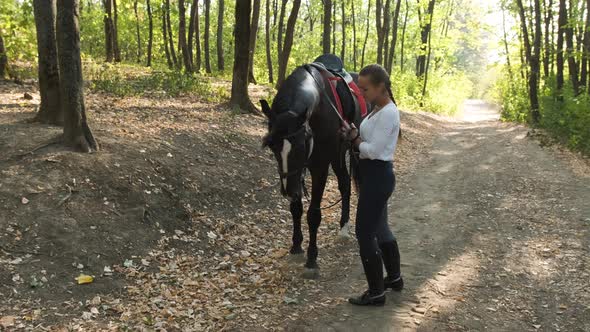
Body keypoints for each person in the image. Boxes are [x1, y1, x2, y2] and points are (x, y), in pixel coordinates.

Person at [342, 64, 403, 306]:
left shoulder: (388, 112)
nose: (362, 93)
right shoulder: (378, 109)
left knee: (365, 233)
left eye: (365, 89)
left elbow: (375, 150)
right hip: (373, 176)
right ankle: (394, 279)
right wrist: (354, 132)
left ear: (380, 87)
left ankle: (376, 292)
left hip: (378, 176)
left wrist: (356, 140)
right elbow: (371, 139)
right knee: (380, 229)